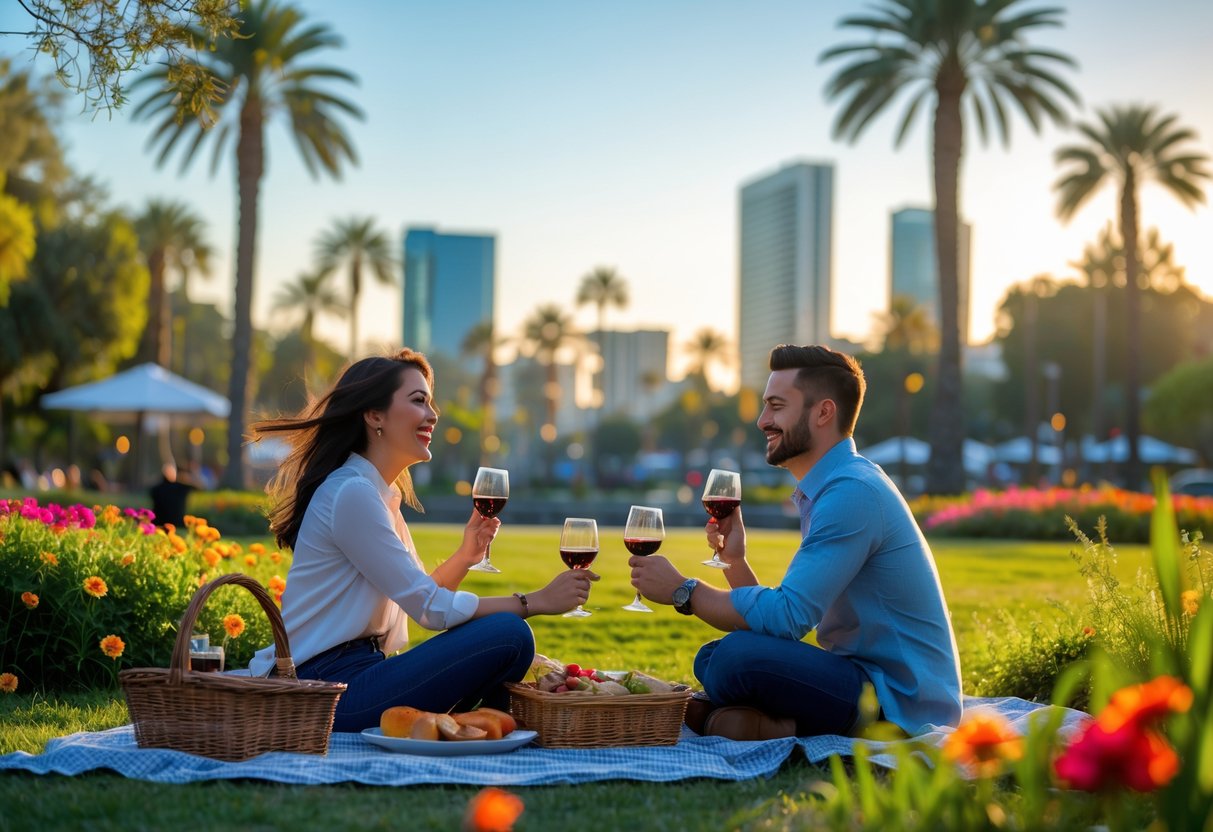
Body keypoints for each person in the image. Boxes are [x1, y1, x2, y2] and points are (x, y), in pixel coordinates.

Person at [246, 348, 596, 732]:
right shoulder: (351, 493)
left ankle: (477, 728)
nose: (433, 415)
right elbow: (432, 609)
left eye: (431, 403)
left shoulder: (378, 495)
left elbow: (421, 596)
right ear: (374, 415)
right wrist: (535, 601)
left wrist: (465, 555)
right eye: (419, 401)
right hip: (326, 689)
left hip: (360, 674)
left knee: (505, 641)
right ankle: (474, 727)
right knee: (509, 634)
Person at [630, 344, 962, 740]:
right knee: (717, 656)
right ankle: (775, 723)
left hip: (902, 704)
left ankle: (777, 722)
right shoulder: (837, 486)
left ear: (823, 412)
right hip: (862, 679)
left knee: (735, 658)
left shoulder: (853, 492)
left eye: (776, 406)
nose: (762, 421)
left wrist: (684, 591)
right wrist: (735, 561)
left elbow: (786, 618)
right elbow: (787, 621)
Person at [149, 462, 195, 528]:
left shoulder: (155, 489)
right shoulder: (182, 488)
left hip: (158, 523)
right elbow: (198, 487)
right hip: (176, 524)